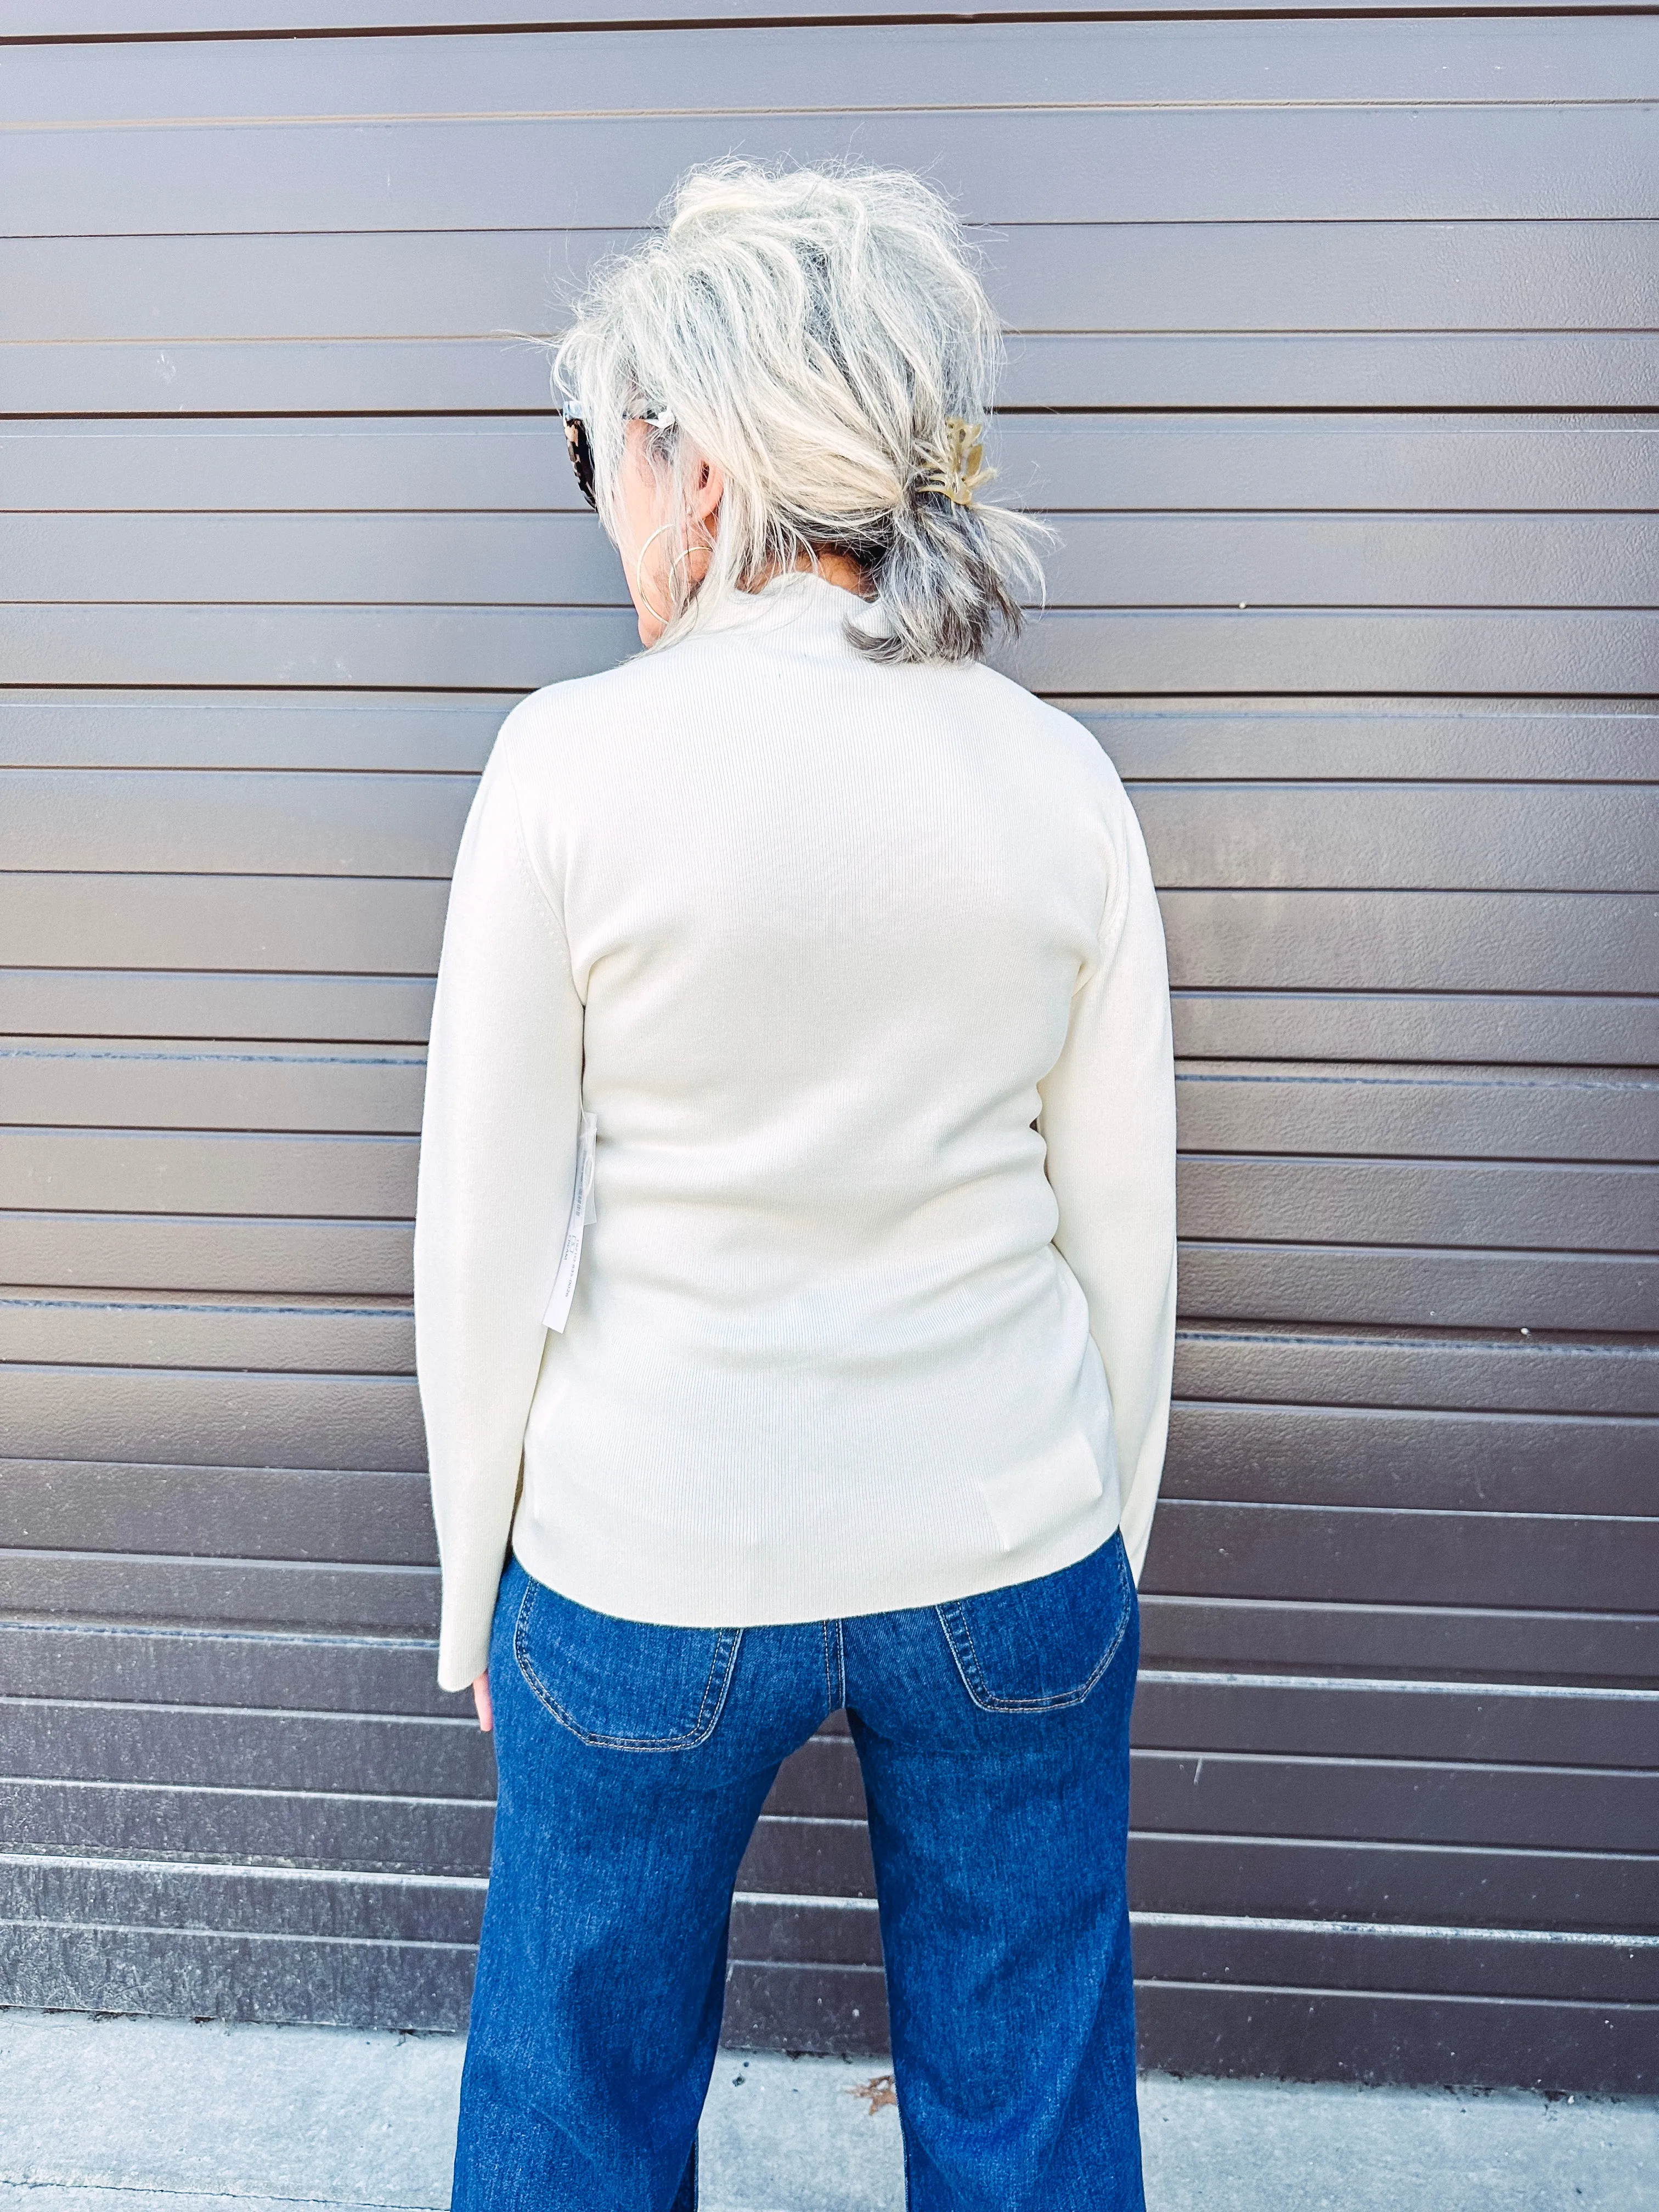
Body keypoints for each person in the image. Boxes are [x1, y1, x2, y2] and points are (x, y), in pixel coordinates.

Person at [413, 158, 1177, 2212]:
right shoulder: (1057, 778)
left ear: (707, 458)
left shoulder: (569, 763)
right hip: (1011, 1549)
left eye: (605, 448)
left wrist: (473, 1587)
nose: (605, 504)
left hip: (647, 1570)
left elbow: (481, 1237)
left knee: (577, 2108)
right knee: (1032, 2114)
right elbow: (1126, 1238)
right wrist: (1100, 1544)